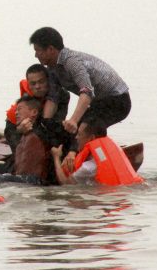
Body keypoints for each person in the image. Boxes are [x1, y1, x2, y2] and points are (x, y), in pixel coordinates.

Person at [29, 26, 131, 170]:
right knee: (71, 129)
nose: (36, 55)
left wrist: (74, 121)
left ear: (50, 49)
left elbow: (87, 92)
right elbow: (53, 98)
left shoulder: (71, 61)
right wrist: (44, 123)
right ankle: (82, 158)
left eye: (38, 51)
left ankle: (93, 161)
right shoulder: (52, 68)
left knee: (83, 129)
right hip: (98, 102)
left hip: (117, 100)